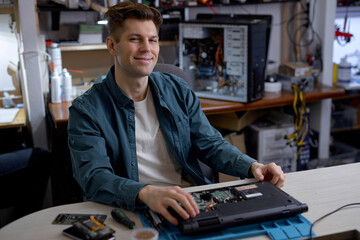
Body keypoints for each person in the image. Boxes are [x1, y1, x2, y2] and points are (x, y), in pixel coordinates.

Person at [68, 2, 285, 226]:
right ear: (112, 46)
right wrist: (146, 193)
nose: (146, 48)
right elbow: (94, 177)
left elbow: (210, 143)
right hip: (133, 209)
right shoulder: (86, 110)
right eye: (135, 39)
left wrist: (252, 167)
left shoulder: (177, 89)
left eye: (152, 40)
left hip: (190, 201)